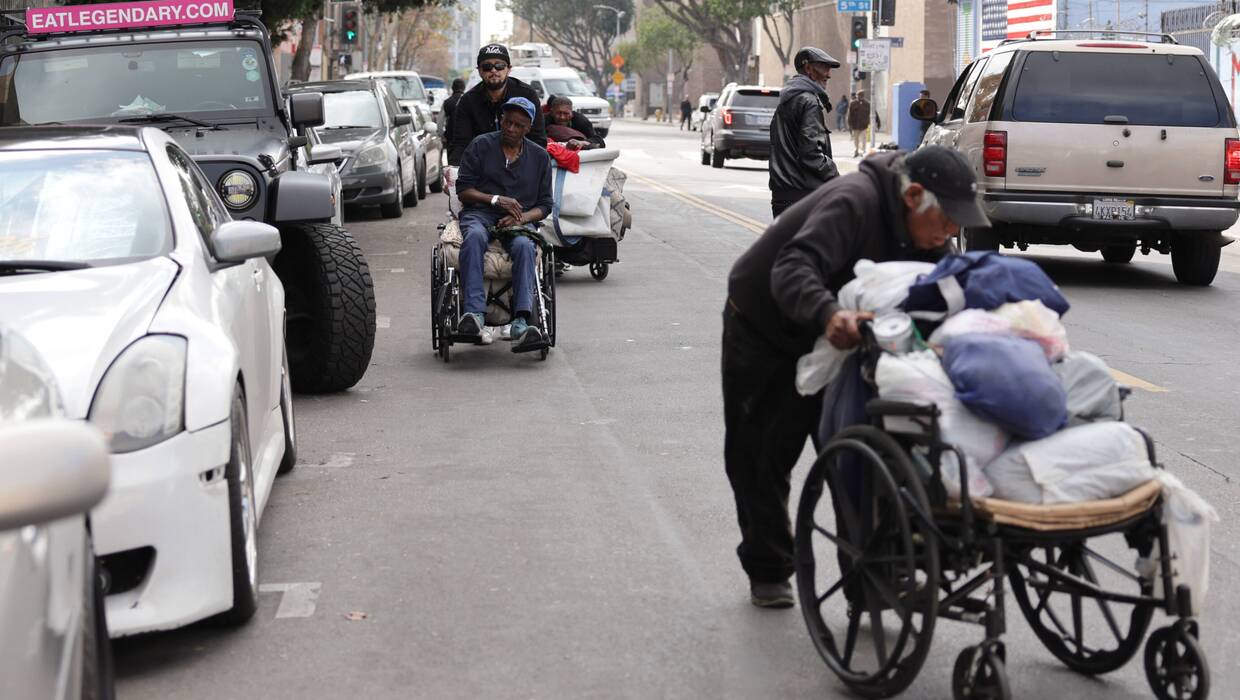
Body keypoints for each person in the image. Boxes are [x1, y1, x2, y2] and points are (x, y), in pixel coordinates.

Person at [721, 146, 990, 608]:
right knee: (763, 455)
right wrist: (829, 315)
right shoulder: (855, 200)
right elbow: (792, 267)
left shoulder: (927, 236)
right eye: (947, 220)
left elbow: (939, 293)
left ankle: (872, 577)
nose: (951, 233)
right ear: (915, 196)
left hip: (848, 343)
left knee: (863, 459)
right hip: (768, 328)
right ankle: (769, 568)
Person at [453, 96, 554, 353]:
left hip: (518, 220)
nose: (510, 129)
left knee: (523, 246)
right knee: (474, 237)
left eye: (518, 125)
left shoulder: (540, 157)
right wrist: (496, 200)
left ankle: (521, 320)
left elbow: (545, 204)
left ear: (528, 128)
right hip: (480, 212)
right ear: (501, 120)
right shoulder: (481, 145)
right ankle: (474, 315)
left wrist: (522, 217)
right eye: (507, 122)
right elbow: (463, 190)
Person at [768, 46, 842, 217]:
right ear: (809, 68)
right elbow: (810, 153)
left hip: (783, 194)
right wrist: (835, 176)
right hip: (803, 196)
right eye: (824, 67)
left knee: (788, 244)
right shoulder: (808, 101)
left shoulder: (788, 98)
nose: (829, 74)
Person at [448, 44, 547, 166]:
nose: (494, 70)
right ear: (479, 70)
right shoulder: (468, 101)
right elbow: (461, 144)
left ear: (509, 69)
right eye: (487, 66)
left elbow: (538, 139)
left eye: (499, 66)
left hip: (520, 166)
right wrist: (455, 174)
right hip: (482, 169)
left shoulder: (527, 94)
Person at [441, 78, 466, 148]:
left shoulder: (447, 102)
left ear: (452, 88)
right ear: (464, 88)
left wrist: (442, 136)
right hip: (467, 140)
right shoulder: (469, 101)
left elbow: (440, 122)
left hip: (451, 139)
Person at [847, 90, 871, 157]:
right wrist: (849, 124)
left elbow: (872, 113)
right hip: (855, 125)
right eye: (858, 96)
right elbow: (849, 115)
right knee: (856, 138)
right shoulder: (853, 103)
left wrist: (876, 121)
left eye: (861, 96)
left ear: (863, 96)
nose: (859, 97)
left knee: (863, 138)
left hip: (864, 125)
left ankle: (863, 151)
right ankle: (856, 150)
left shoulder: (867, 104)